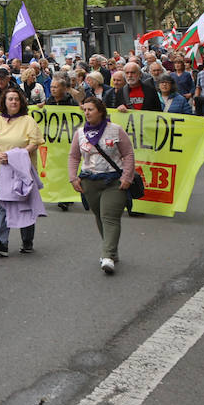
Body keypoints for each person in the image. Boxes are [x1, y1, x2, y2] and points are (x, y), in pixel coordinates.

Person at [68, 97, 135, 274]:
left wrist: (127, 176)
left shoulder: (116, 130)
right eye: (85, 110)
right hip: (90, 181)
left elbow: (128, 154)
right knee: (99, 215)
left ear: (100, 111)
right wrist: (73, 178)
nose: (87, 113)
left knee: (110, 217)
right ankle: (111, 250)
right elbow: (74, 156)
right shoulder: (80, 133)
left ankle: (107, 255)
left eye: (90, 109)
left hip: (113, 181)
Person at [0, 88, 44, 257]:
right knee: (4, 204)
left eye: (16, 99)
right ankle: (1, 243)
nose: (13, 102)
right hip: (1, 169)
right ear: (4, 101)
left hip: (22, 168)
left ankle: (27, 241)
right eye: (10, 99)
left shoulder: (28, 121)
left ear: (21, 102)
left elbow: (35, 142)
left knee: (24, 203)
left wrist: (16, 155)